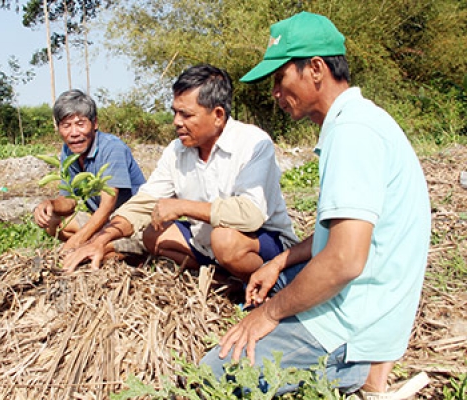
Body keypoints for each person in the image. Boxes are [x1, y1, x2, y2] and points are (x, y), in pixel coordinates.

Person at [200, 11, 431, 397]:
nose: (275, 92)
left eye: (280, 78)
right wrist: (279, 261)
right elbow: (336, 234)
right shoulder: (358, 121)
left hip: (354, 323)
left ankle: (360, 373)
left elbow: (343, 260)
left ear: (317, 69)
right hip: (368, 304)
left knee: (212, 375)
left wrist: (268, 315)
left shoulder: (353, 133)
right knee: (274, 288)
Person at [62, 64, 298, 280]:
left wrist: (182, 206)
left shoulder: (253, 143)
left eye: (186, 115)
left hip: (261, 241)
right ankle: (223, 280)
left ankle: (257, 280)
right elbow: (143, 203)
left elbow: (251, 214)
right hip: (206, 243)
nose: (176, 122)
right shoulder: (177, 151)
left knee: (225, 240)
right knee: (153, 236)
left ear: (217, 115)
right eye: (175, 112)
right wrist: (101, 240)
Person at [33, 89, 146, 252]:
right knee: (53, 222)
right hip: (102, 220)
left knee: (101, 251)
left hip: (128, 221)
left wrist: (74, 242)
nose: (74, 133)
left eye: (80, 124)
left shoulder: (112, 148)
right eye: (66, 126)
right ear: (58, 128)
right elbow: (69, 199)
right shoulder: (68, 150)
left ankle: (114, 248)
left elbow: (107, 206)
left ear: (95, 123)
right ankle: (97, 242)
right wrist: (49, 204)